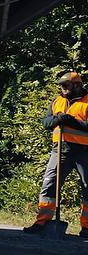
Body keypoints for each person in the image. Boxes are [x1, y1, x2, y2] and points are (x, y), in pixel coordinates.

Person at [26, 70, 88, 237]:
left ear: (76, 85)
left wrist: (71, 121)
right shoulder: (57, 101)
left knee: (87, 188)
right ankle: (42, 223)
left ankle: (87, 228)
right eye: (61, 86)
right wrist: (58, 119)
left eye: (65, 85)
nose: (62, 88)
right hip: (60, 150)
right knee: (49, 185)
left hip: (84, 152)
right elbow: (46, 122)